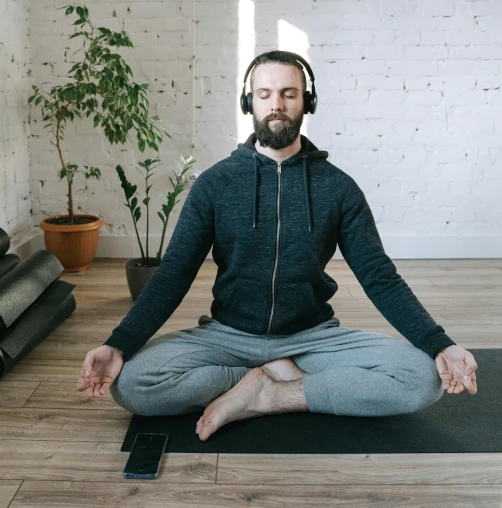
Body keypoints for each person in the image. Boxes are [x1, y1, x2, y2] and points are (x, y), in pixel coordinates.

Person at [77, 50, 478, 442]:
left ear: (307, 102)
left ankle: (275, 393)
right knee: (131, 384)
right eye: (265, 94)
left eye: (289, 93)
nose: (277, 104)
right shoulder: (216, 184)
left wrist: (438, 342)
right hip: (228, 336)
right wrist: (119, 344)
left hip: (312, 336)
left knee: (422, 379)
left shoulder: (337, 188)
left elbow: (379, 276)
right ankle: (252, 380)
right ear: (249, 101)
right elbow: (174, 273)